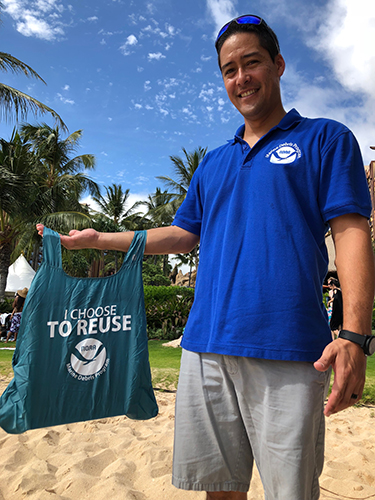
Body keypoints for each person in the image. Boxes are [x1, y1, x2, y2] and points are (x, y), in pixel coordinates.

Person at [37, 14, 375, 500]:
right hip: (205, 346)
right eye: (229, 69)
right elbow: (180, 235)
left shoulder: (324, 138)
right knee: (218, 490)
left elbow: (351, 234)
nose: (241, 78)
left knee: (291, 493)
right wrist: (100, 239)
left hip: (290, 350)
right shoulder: (214, 162)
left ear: (278, 65)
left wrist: (355, 337)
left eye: (252, 62)